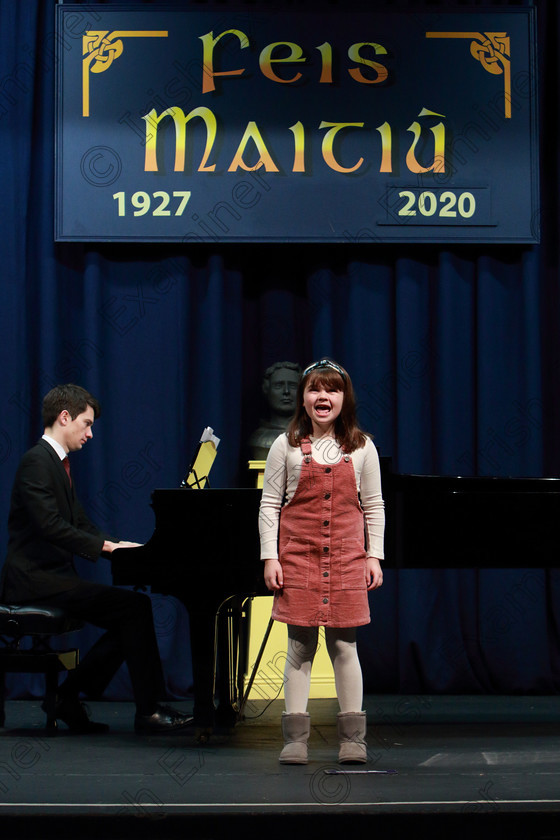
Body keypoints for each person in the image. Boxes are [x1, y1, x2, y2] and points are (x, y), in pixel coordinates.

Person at [0, 384, 192, 735]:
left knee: (132, 612)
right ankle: (144, 710)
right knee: (133, 609)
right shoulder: (36, 462)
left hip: (53, 578)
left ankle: (68, 697)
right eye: (86, 424)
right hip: (34, 581)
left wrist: (127, 545)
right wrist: (107, 549)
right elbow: (51, 527)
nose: (89, 434)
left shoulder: (56, 464)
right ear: (64, 417)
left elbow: (81, 525)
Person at [259, 359, 384, 764]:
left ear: (344, 398)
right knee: (298, 646)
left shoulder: (363, 447)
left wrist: (374, 555)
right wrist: (270, 556)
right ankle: (295, 738)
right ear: (304, 397)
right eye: (314, 389)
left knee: (345, 645)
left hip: (348, 558)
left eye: (331, 390)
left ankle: (353, 739)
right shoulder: (286, 445)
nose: (322, 397)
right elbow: (270, 505)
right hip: (299, 558)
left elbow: (374, 506)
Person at [248, 362, 301, 460]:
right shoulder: (259, 438)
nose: (286, 391)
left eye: (293, 386)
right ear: (266, 390)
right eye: (278, 386)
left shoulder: (312, 435)